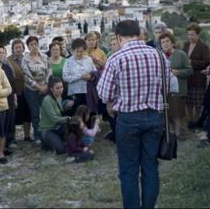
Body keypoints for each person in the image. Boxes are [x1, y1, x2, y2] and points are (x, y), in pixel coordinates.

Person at [97, 20, 171, 209]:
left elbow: (104, 94)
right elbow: (168, 86)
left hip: (128, 119)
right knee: (150, 167)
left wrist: (115, 98)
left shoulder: (116, 58)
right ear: (138, 34)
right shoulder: (159, 55)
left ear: (119, 37)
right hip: (155, 116)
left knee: (129, 170)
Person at [160, 33, 193, 139]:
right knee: (166, 111)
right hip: (163, 90)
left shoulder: (181, 54)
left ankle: (178, 133)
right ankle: (168, 132)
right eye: (163, 42)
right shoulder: (159, 55)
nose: (165, 44)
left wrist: (177, 72)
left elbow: (189, 70)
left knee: (177, 112)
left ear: (172, 43)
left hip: (177, 90)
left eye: (167, 41)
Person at [22, 36, 52, 144]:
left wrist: (46, 86)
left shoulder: (44, 57)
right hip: (31, 90)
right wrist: (38, 87)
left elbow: (49, 71)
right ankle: (37, 135)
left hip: (45, 87)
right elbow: (26, 76)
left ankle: (48, 133)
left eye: (35, 44)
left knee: (46, 111)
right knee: (35, 113)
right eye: (31, 44)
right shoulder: (25, 59)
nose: (34, 46)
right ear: (28, 47)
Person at [183, 23, 210, 125]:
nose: (190, 36)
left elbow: (207, 62)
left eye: (192, 34)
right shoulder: (186, 44)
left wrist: (191, 62)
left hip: (198, 78)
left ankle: (197, 121)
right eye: (189, 34)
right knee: (188, 102)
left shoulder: (204, 46)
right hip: (187, 78)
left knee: (198, 103)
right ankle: (190, 120)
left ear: (198, 34)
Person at [0, 44, 18, 150]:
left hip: (10, 96)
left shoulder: (7, 67)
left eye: (3, 53)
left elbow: (13, 83)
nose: (1, 55)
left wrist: (15, 97)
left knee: (10, 119)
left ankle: (10, 139)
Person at [63, 38, 97, 116]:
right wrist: (80, 76)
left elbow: (95, 73)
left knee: (89, 114)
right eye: (77, 51)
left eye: (81, 51)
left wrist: (91, 77)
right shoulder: (68, 61)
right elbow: (65, 77)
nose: (79, 54)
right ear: (72, 50)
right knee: (78, 115)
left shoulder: (88, 60)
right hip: (75, 92)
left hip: (88, 91)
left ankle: (89, 128)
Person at [39, 76, 72, 154]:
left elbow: (59, 110)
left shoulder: (59, 97)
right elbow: (54, 118)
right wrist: (69, 118)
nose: (60, 90)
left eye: (61, 87)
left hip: (57, 127)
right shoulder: (47, 100)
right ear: (51, 89)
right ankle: (46, 143)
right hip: (48, 130)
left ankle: (59, 140)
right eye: (57, 88)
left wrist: (67, 105)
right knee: (61, 150)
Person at [7, 39, 32, 142]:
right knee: (15, 115)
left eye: (20, 47)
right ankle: (13, 137)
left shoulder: (28, 58)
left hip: (29, 89)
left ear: (23, 48)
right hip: (16, 91)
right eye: (16, 47)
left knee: (28, 113)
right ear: (12, 49)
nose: (18, 49)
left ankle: (27, 136)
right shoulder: (8, 60)